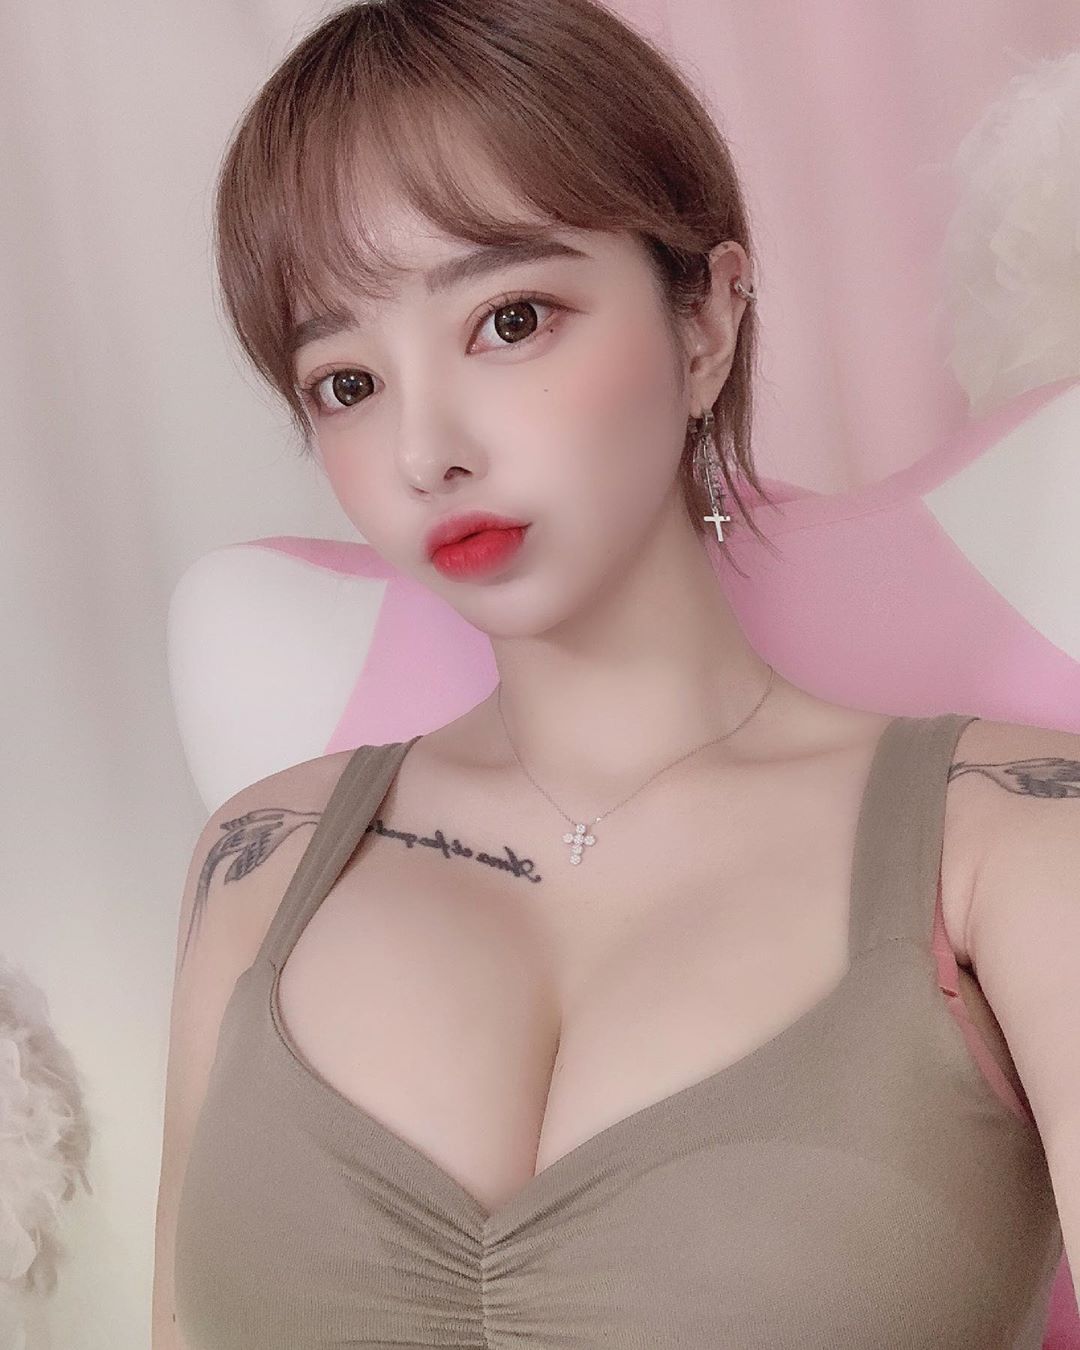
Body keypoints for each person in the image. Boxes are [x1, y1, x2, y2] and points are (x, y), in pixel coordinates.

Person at [159, 2, 1067, 1346]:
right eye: (346, 382)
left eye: (510, 319)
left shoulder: (1011, 840)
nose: (425, 451)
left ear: (705, 323)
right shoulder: (258, 863)